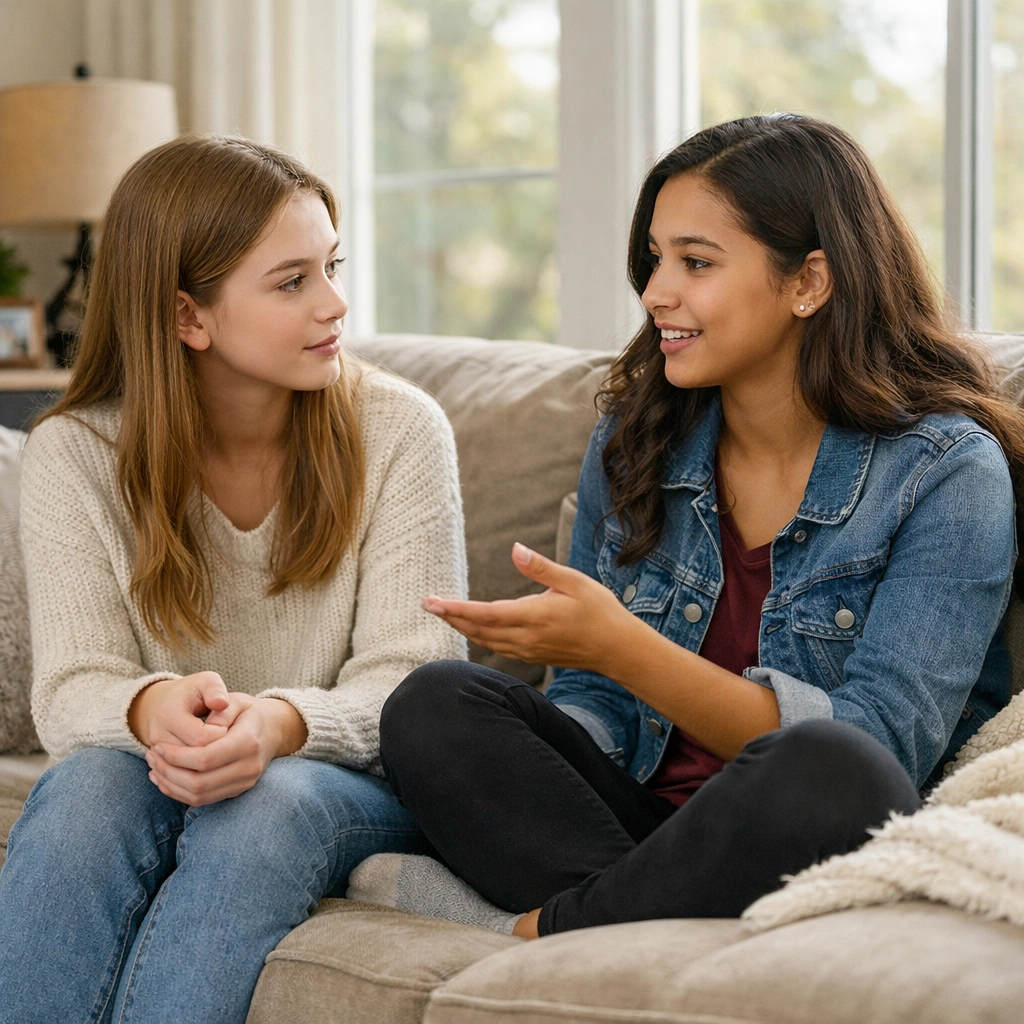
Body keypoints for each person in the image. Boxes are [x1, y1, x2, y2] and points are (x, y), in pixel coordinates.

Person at [357, 114, 1023, 941]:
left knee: (834, 764)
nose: (654, 293)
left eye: (695, 263)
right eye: (655, 260)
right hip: (631, 825)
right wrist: (566, 711)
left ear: (809, 280)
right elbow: (595, 705)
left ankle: (537, 932)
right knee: (435, 703)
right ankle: (629, 909)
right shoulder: (638, 438)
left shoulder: (946, 472)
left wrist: (618, 643)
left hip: (800, 827)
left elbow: (884, 748)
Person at [0, 135, 467, 1024]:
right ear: (188, 317)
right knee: (88, 788)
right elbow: (69, 688)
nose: (335, 304)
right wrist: (151, 708)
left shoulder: (402, 431)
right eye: (293, 282)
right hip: (157, 765)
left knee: (267, 802)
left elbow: (414, 680)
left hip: (340, 777)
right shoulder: (78, 452)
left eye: (331, 266)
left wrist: (284, 724)